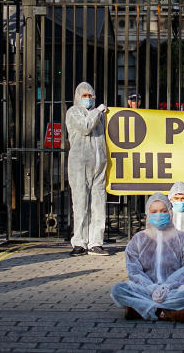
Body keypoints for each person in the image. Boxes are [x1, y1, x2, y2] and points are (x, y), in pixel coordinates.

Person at [110, 193, 184, 322]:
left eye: (163, 211)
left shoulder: (182, 238)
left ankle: (142, 309)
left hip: (173, 290)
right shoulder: (139, 239)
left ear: (170, 212)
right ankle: (167, 311)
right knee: (118, 289)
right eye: (154, 211)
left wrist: (166, 288)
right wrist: (151, 288)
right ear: (148, 214)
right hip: (145, 290)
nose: (159, 214)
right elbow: (134, 270)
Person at [65, 81, 109, 256]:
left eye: (90, 96)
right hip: (79, 164)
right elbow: (85, 128)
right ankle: (79, 242)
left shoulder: (100, 115)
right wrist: (97, 111)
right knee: (81, 203)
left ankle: (96, 242)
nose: (88, 99)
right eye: (84, 96)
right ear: (78, 97)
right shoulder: (73, 112)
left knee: (98, 204)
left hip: (99, 164)